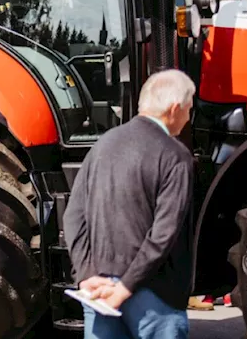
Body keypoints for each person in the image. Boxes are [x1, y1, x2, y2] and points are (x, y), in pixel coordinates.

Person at [64, 69, 196, 339]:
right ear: (174, 109)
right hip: (153, 292)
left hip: (99, 290)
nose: (188, 117)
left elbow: (73, 216)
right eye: (189, 110)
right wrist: (124, 288)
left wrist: (86, 275)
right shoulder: (175, 156)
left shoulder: (102, 146)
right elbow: (164, 234)